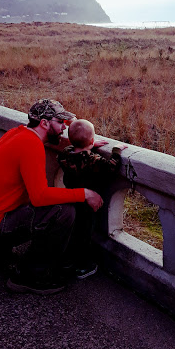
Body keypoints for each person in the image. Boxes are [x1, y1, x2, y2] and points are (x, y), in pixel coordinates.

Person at [0, 99, 103, 295]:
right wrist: (84, 193)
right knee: (64, 212)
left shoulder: (17, 134)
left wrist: (85, 146)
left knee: (57, 206)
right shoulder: (31, 145)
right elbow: (39, 197)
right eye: (61, 123)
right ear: (44, 123)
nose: (64, 129)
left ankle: (17, 260)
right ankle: (29, 276)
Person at [57, 119, 127, 278]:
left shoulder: (65, 154)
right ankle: (82, 267)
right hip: (88, 205)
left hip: (72, 199)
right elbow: (111, 167)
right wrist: (116, 151)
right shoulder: (92, 160)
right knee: (85, 234)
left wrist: (88, 146)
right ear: (91, 140)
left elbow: (71, 150)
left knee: (74, 232)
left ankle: (66, 261)